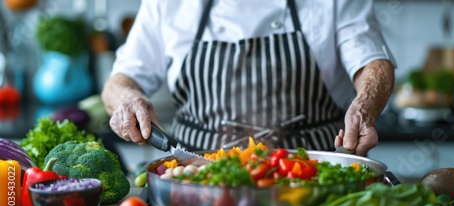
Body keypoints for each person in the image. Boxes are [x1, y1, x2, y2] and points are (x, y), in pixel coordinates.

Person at [102, 0, 396, 156]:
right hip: (195, 181)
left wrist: (364, 108)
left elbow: (374, 63)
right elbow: (120, 81)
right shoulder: (170, 4)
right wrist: (128, 101)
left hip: (312, 180)